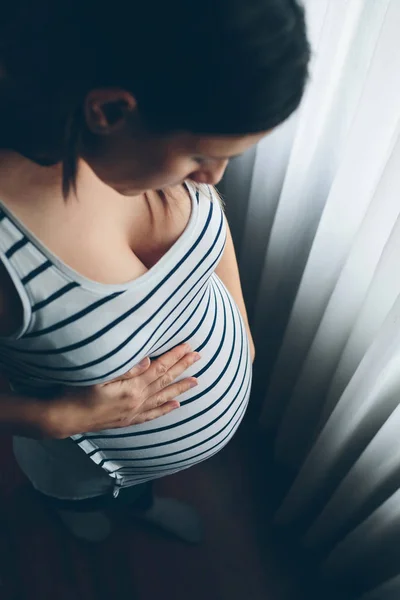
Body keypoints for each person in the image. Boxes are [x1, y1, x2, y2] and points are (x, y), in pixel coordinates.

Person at [0, 0, 309, 543]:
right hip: (81, 461)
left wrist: (238, 318)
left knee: (135, 493)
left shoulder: (148, 128)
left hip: (145, 462)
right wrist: (58, 420)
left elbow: (210, 224)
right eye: (199, 158)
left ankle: (139, 503)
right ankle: (78, 518)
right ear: (110, 112)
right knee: (83, 503)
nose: (212, 180)